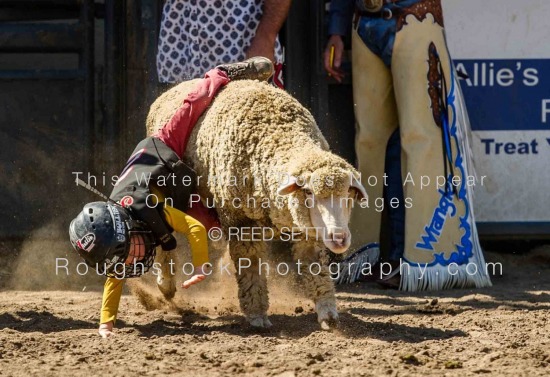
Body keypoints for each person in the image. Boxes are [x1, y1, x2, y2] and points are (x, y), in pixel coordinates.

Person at [70, 57, 274, 338]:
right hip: (175, 192)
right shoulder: (120, 245)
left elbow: (193, 228)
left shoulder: (146, 211)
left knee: (194, 103)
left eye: (128, 253)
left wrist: (200, 264)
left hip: (164, 153)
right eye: (125, 259)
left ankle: (222, 73)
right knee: (220, 224)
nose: (132, 261)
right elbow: (114, 278)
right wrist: (106, 324)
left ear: (130, 228)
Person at [324, 0, 492, 290]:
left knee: (418, 139)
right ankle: (390, 256)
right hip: (368, 21)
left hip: (411, 17)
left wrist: (338, 27)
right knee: (374, 142)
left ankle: (416, 259)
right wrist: (337, 29)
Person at [156, 0, 291, 87]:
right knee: (179, 123)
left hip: (240, 46)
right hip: (179, 46)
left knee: (252, 122)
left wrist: (265, 37)